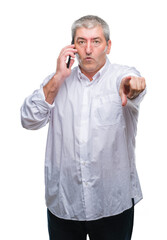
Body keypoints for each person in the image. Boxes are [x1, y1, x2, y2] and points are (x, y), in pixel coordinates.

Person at [21, 15, 146, 240]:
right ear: (73, 47)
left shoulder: (122, 77)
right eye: (81, 41)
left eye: (96, 41)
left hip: (112, 203)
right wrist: (59, 76)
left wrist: (134, 86)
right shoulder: (56, 82)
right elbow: (28, 119)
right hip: (65, 203)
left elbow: (134, 85)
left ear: (108, 46)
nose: (88, 49)